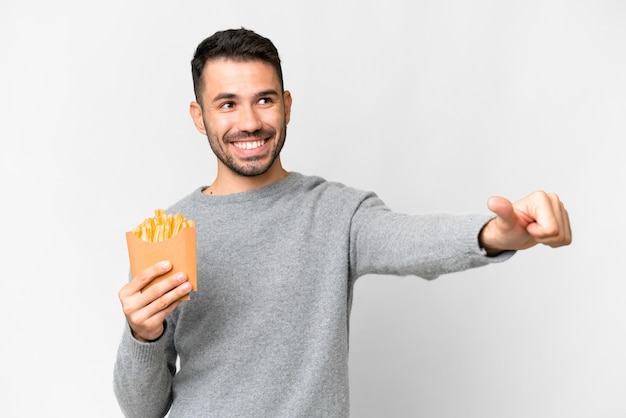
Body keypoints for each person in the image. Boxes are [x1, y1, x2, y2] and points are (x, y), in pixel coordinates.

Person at [113, 28, 571, 417]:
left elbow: (410, 239)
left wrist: (491, 235)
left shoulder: (336, 213)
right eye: (227, 104)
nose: (250, 122)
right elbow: (142, 408)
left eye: (264, 100)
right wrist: (143, 334)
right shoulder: (169, 233)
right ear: (200, 116)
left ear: (287, 105)